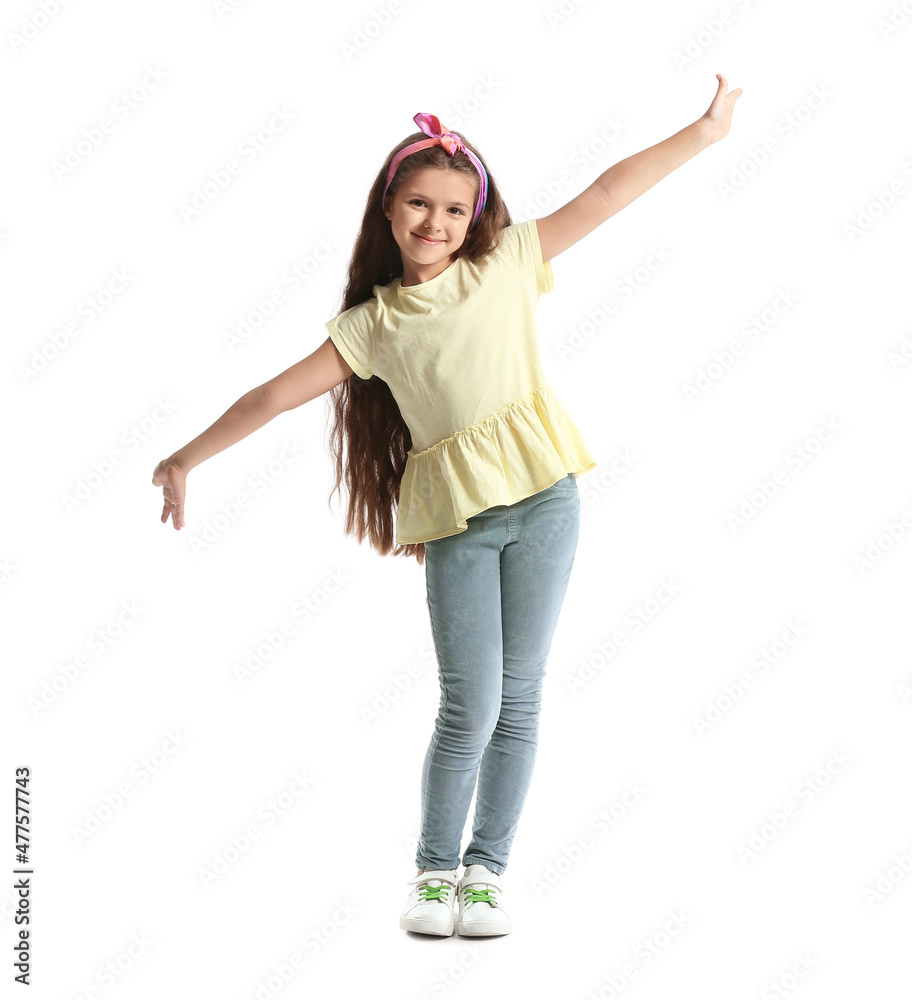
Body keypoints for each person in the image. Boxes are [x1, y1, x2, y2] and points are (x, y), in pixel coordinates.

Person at [152, 74, 742, 938]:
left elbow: (608, 193)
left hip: (546, 501)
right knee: (470, 705)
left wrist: (704, 132)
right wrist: (184, 456)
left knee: (522, 697)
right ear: (388, 210)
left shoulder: (506, 265)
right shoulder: (374, 323)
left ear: (478, 219)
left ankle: (487, 872)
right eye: (419, 205)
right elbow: (272, 395)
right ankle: (434, 873)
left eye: (455, 210)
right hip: (459, 521)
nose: (436, 224)